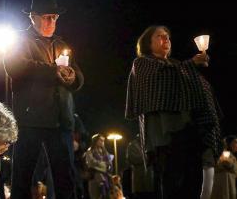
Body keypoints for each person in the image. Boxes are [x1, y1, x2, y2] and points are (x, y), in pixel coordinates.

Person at [125, 25, 223, 199]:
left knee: (192, 181)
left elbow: (195, 87)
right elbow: (162, 78)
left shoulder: (178, 64)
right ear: (148, 42)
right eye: (160, 36)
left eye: (168, 37)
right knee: (171, 181)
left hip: (188, 130)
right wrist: (191, 64)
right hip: (163, 135)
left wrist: (196, 73)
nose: (166, 40)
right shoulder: (141, 64)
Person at [4, 0, 84, 199]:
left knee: (65, 179)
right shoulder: (20, 40)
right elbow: (14, 66)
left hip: (61, 121)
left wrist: (73, 77)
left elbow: (78, 77)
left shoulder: (61, 45)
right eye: (47, 17)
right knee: (23, 177)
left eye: (55, 17)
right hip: (31, 119)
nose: (52, 21)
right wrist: (52, 71)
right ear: (33, 17)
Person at [126, 134, 155, 199]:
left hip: (149, 178)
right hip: (139, 177)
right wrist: (147, 158)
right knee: (140, 194)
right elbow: (132, 159)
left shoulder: (149, 144)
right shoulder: (132, 145)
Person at [84, 134, 113, 199]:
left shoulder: (105, 152)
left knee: (106, 196)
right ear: (95, 141)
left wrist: (102, 165)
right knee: (95, 196)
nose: (102, 142)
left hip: (105, 178)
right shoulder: (90, 151)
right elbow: (91, 163)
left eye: (103, 140)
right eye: (100, 140)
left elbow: (110, 165)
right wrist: (104, 165)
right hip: (94, 177)